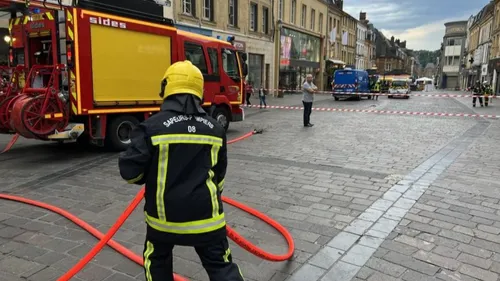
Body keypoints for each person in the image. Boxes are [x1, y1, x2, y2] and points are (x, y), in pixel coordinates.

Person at [118, 60, 244, 281]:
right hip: (207, 220)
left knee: (157, 262)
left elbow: (131, 173)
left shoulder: (151, 127)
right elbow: (219, 176)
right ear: (200, 91)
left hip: (163, 221)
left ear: (166, 88)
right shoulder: (215, 129)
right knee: (221, 267)